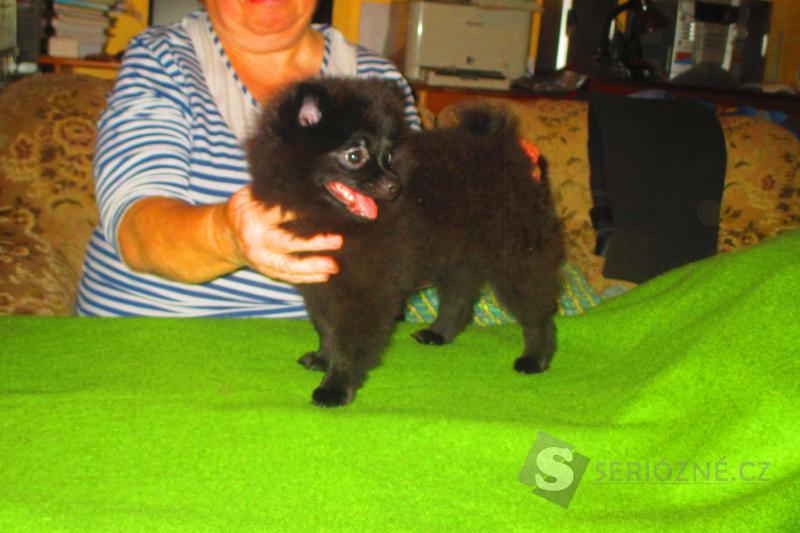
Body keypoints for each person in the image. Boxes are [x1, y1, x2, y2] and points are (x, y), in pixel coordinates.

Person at [77, 0, 421, 317]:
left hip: (324, 338)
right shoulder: (161, 57)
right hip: (158, 326)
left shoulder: (378, 81)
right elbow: (136, 231)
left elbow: (410, 214)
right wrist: (226, 236)